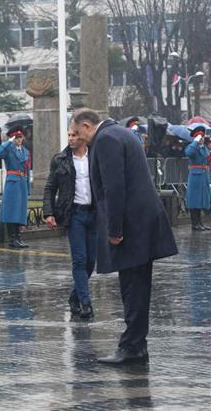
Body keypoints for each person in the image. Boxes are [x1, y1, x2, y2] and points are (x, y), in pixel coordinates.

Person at [71, 108, 177, 365]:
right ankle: (135, 344)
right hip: (143, 222)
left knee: (133, 289)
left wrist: (114, 230)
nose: (76, 138)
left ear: (87, 126)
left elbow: (114, 187)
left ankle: (132, 347)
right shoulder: (123, 133)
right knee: (138, 287)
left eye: (77, 133)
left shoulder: (106, 139)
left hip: (131, 226)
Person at [43, 127, 96, 319]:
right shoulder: (60, 159)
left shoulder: (95, 157)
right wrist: (48, 213)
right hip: (74, 215)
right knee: (80, 260)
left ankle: (75, 296)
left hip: (94, 214)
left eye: (74, 135)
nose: (71, 139)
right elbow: (50, 188)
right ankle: (85, 302)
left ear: (83, 137)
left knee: (91, 262)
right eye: (69, 136)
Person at [0, 125, 30, 249]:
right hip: (13, 182)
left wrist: (28, 187)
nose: (19, 139)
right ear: (12, 138)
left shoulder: (25, 151)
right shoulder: (9, 149)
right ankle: (12, 238)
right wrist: (7, 142)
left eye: (20, 137)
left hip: (22, 182)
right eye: (16, 137)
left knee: (20, 211)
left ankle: (18, 237)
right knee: (12, 211)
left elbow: (27, 170)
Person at [184, 123, 210, 231]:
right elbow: (188, 153)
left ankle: (200, 223)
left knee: (201, 200)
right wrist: (195, 142)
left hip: (203, 176)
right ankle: (194, 223)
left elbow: (207, 158)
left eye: (203, 137)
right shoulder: (192, 147)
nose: (202, 139)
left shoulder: (203, 147)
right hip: (195, 176)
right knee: (194, 200)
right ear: (196, 137)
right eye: (200, 137)